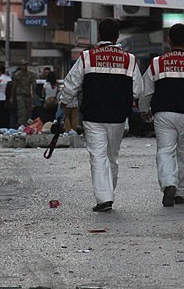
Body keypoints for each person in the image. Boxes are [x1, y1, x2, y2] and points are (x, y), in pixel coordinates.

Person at [60, 17, 143, 213]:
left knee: (98, 156)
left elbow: (71, 83)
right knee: (111, 157)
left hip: (93, 115)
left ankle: (105, 197)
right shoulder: (129, 59)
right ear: (117, 36)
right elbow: (138, 90)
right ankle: (108, 194)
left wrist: (64, 102)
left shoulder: (87, 57)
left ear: (99, 35)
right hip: (118, 116)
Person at [139, 23, 184, 207]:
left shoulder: (157, 63)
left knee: (165, 150)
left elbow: (145, 90)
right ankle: (181, 192)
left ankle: (168, 183)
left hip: (163, 114)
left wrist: (144, 109)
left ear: (168, 41)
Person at [12, 60, 36, 127]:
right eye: (23, 65)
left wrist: (33, 94)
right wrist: (12, 97)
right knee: (22, 112)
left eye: (26, 65)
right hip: (20, 95)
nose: (25, 66)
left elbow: (33, 85)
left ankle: (26, 125)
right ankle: (20, 125)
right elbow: (14, 85)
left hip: (28, 95)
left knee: (28, 112)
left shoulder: (31, 74)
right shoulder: (17, 74)